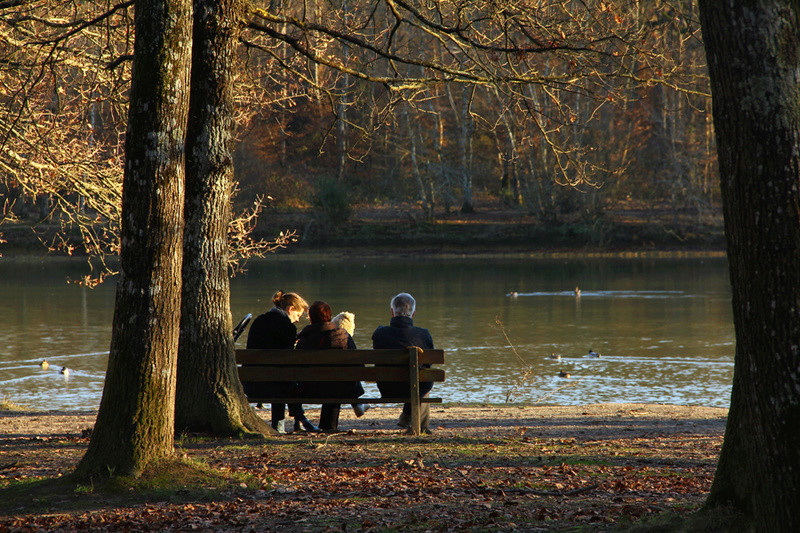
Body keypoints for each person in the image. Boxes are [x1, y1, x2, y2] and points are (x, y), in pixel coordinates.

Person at [245, 290, 318, 434]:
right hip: (275, 386)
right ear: (290, 309)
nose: (297, 320)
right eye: (297, 315)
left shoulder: (259, 320)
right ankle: (299, 419)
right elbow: (288, 362)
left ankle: (294, 422)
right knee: (287, 378)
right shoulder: (288, 327)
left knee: (280, 377)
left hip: (252, 384)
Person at [296, 301, 365, 432]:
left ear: (310, 318)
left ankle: (322, 426)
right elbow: (359, 365)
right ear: (330, 316)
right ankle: (328, 427)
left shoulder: (303, 339)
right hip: (339, 390)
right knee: (335, 383)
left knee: (327, 383)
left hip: (309, 390)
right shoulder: (343, 336)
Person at [372, 292, 435, 433]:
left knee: (417, 380)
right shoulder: (424, 334)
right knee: (422, 380)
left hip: (388, 388)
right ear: (413, 314)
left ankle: (406, 419)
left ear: (392, 312)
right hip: (415, 388)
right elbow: (429, 366)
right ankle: (421, 427)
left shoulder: (380, 333)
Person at [332, 312, 370, 418]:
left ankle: (357, 404)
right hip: (343, 386)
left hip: (319, 385)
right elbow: (360, 367)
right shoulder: (348, 340)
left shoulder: (326, 340)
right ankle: (357, 404)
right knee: (350, 373)